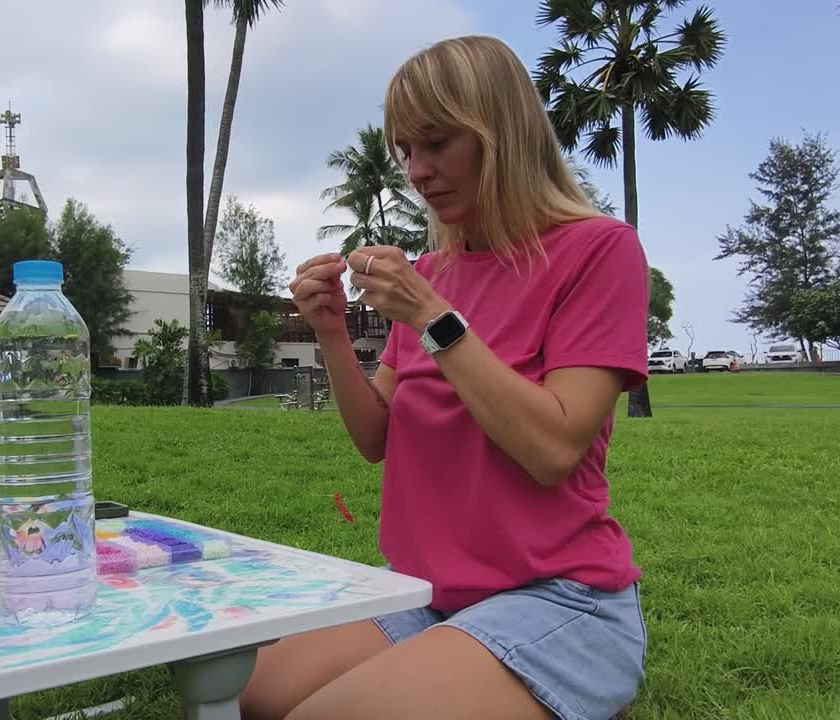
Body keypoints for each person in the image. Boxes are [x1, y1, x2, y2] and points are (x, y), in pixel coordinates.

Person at [240, 36, 650, 720]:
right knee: (246, 696)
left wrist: (434, 315)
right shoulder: (432, 274)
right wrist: (332, 333)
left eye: (436, 143)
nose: (418, 170)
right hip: (426, 594)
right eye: (406, 151)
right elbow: (377, 437)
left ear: (501, 131)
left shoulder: (599, 250)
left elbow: (554, 450)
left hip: (559, 600)